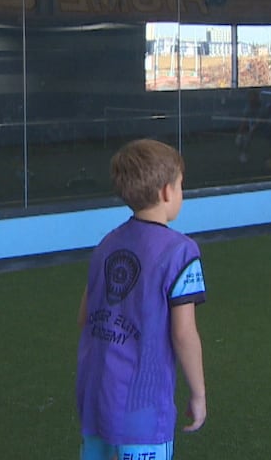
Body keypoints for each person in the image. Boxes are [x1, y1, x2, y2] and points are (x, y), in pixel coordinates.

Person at [77, 138, 207, 460]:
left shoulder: (107, 244)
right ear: (166, 192)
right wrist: (199, 392)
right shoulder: (181, 252)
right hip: (143, 410)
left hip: (96, 400)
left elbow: (85, 315)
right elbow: (183, 332)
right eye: (180, 186)